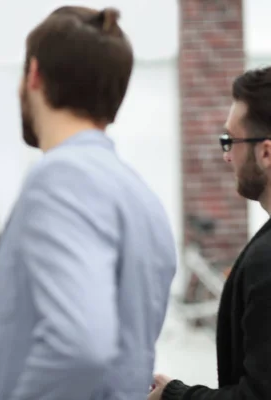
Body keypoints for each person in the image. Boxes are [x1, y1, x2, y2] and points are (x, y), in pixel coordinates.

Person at [0, 5, 177, 400]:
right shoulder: (137, 194)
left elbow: (80, 350)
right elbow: (69, 339)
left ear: (33, 75)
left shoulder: (61, 180)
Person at [148, 67, 271, 400]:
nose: (227, 155)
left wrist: (173, 395)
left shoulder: (266, 263)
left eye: (230, 140)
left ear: (265, 152)